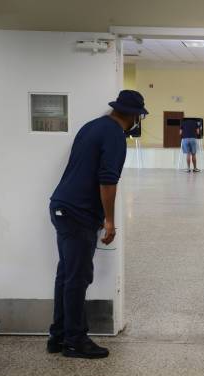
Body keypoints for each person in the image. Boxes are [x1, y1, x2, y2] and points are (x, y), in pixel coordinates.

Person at [47, 90, 148, 359]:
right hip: (78, 213)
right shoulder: (115, 135)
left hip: (62, 207)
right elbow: (107, 180)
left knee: (67, 276)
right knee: (77, 279)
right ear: (134, 116)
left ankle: (58, 336)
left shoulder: (92, 126)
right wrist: (110, 220)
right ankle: (75, 340)